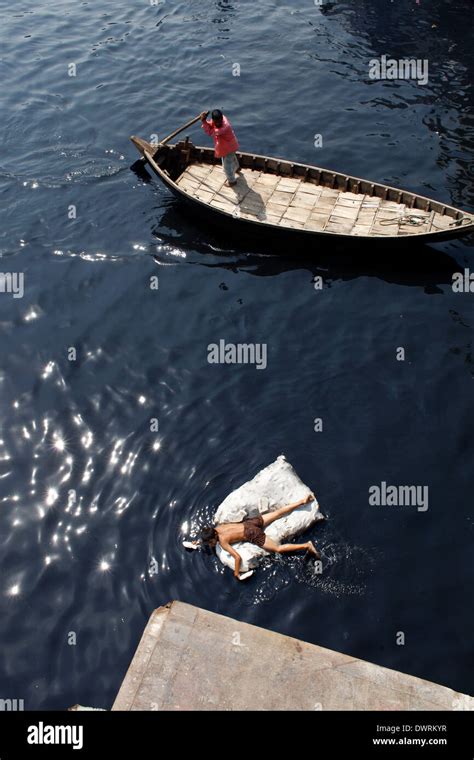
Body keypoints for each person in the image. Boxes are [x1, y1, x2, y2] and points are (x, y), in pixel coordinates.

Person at [199, 493, 320, 579]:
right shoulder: (218, 528)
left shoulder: (223, 541)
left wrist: (236, 573)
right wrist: (199, 542)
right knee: (277, 513)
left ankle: (307, 546)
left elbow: (237, 557)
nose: (211, 545)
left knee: (278, 549)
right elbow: (208, 535)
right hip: (250, 522)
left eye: (210, 542)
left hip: (252, 533)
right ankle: (302, 501)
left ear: (214, 537)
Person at [200, 109, 241, 186]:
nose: (218, 123)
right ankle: (237, 168)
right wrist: (204, 120)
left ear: (222, 119)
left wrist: (203, 121)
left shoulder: (225, 127)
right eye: (216, 122)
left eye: (219, 121)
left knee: (226, 166)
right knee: (231, 157)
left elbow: (210, 132)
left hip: (229, 147)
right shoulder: (220, 119)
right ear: (214, 120)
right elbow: (211, 125)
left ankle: (232, 181)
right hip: (226, 146)